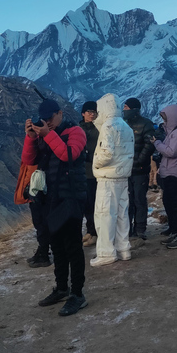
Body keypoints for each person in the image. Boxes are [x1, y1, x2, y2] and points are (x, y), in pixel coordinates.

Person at [22, 99, 89, 316]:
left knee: (73, 247)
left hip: (71, 198)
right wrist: (31, 138)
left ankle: (77, 294)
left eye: (51, 117)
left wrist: (47, 135)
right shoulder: (45, 134)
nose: (47, 122)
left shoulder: (76, 131)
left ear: (60, 113)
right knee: (57, 247)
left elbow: (68, 155)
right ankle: (61, 287)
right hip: (50, 199)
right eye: (44, 119)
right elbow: (28, 159)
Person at [90, 93, 135, 266]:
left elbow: (106, 153)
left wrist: (96, 163)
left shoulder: (108, 126)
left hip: (108, 177)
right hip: (123, 176)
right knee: (122, 214)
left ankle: (106, 252)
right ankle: (124, 249)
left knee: (105, 214)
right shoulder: (126, 126)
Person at [152, 104, 177, 249]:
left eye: (165, 117)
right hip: (168, 172)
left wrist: (157, 143)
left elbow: (171, 152)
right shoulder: (172, 131)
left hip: (176, 173)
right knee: (169, 203)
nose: (164, 120)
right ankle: (175, 231)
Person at [122, 97, 156, 240]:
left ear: (133, 109)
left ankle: (140, 228)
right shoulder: (123, 124)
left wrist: (139, 160)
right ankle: (127, 228)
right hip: (125, 169)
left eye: (126, 108)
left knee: (139, 199)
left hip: (140, 169)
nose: (124, 111)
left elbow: (150, 144)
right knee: (127, 200)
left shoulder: (145, 124)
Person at [79, 101, 99, 247]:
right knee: (86, 205)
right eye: (89, 112)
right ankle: (90, 230)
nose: (92, 114)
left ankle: (95, 233)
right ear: (83, 114)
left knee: (94, 204)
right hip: (82, 171)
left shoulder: (99, 129)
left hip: (94, 171)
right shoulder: (78, 129)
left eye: (94, 112)